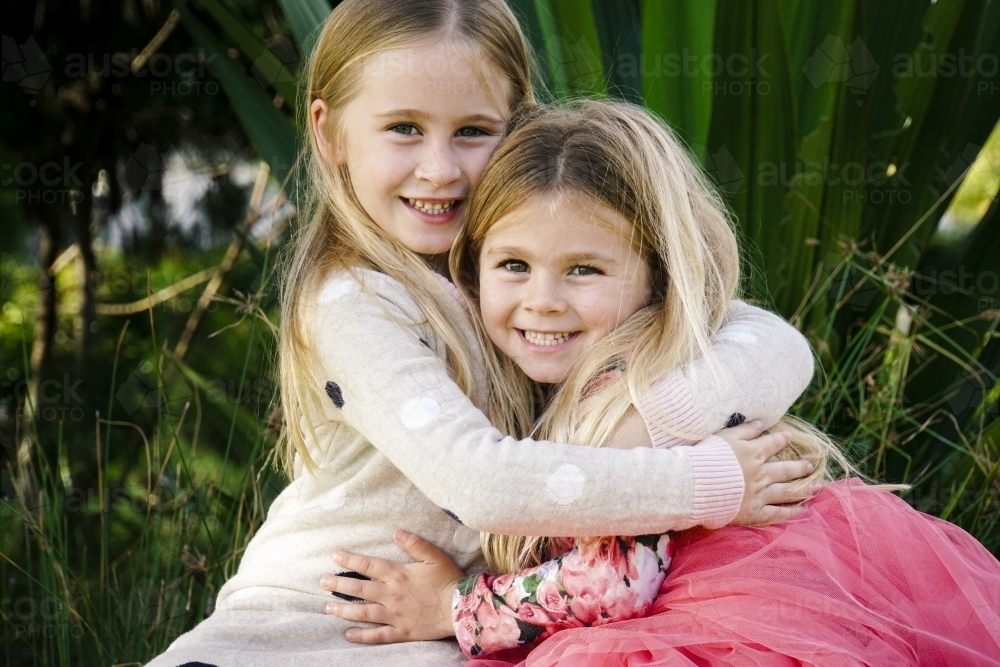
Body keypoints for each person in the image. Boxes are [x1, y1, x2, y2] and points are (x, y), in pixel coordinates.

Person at [143, 2, 818, 665]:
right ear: (331, 133)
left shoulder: (512, 268)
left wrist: (643, 424)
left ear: (518, 127)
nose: (439, 169)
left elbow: (778, 344)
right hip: (316, 623)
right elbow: (481, 484)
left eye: (472, 131)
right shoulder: (354, 303)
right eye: (404, 128)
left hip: (455, 626)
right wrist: (703, 481)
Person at [320, 101, 1000, 665]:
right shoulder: (590, 368)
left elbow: (617, 580)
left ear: (656, 276)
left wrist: (455, 607)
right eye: (514, 266)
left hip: (724, 610)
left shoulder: (627, 384)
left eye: (584, 269)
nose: (543, 301)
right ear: (472, 269)